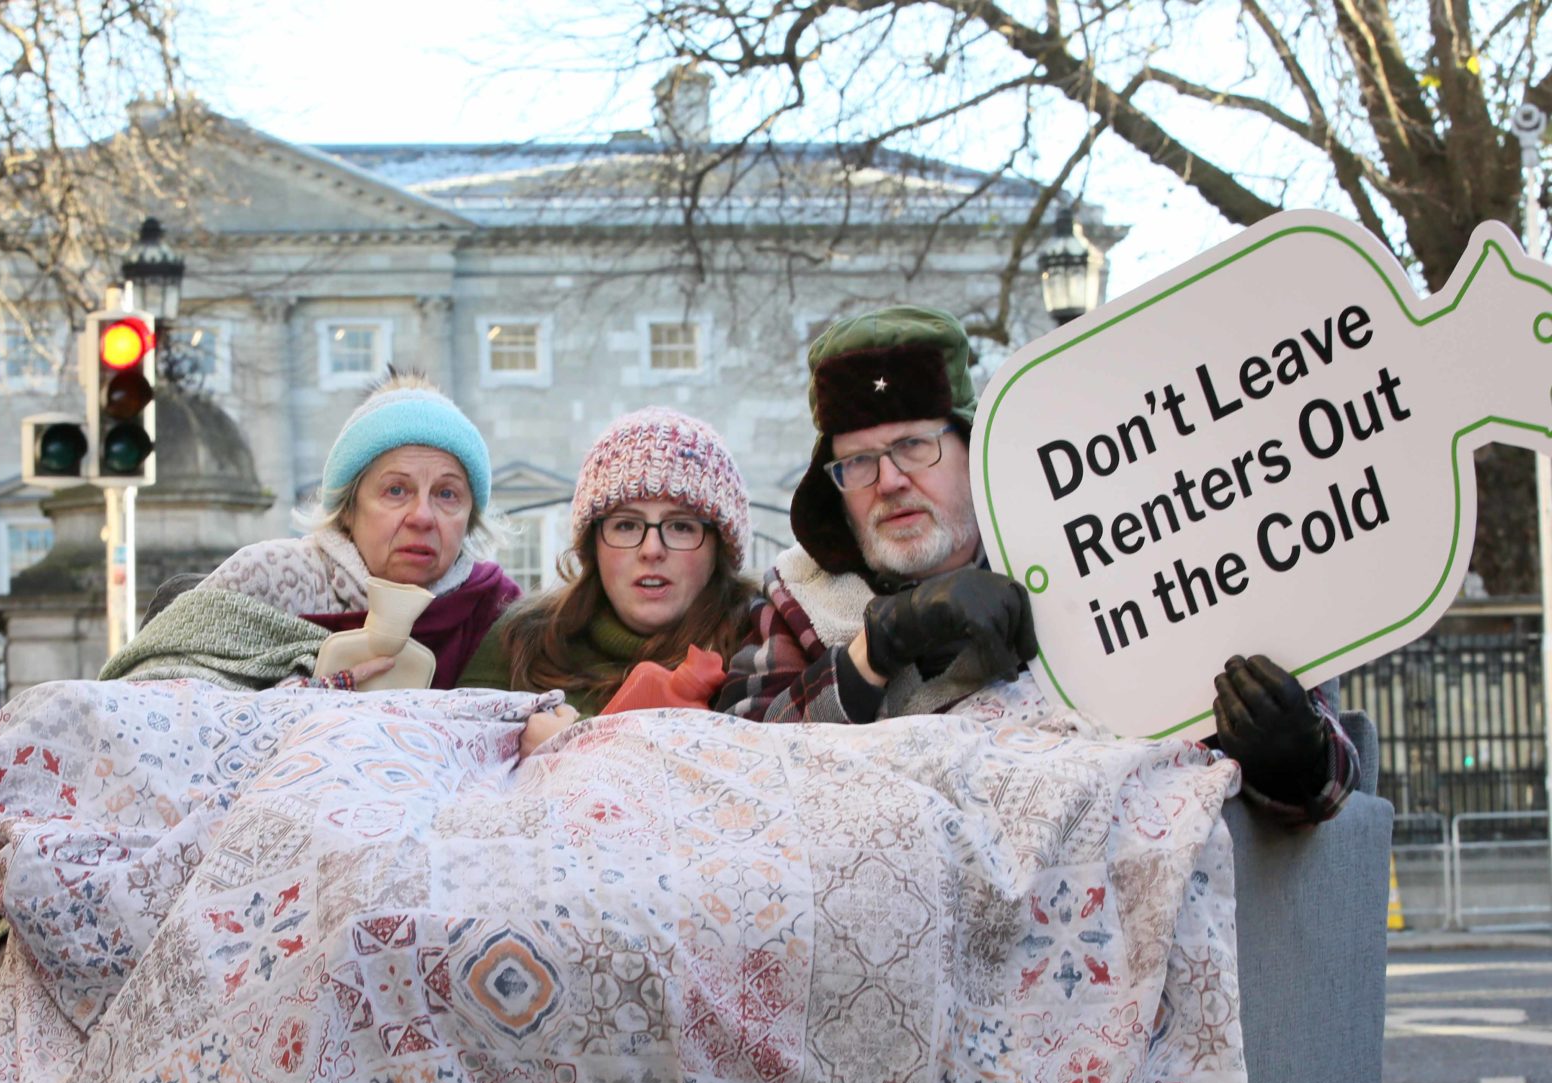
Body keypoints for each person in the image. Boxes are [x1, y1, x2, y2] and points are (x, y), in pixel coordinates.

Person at [719, 305, 1357, 823]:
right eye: (857, 462)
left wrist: (1292, 755)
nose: (888, 481)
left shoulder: (1108, 557)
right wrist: (877, 648)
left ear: (973, 450)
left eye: (914, 445)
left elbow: (1321, 787)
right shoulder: (800, 596)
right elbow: (737, 770)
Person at [193, 369, 520, 688]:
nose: (422, 516)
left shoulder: (503, 613)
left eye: (447, 494)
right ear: (348, 508)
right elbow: (166, 698)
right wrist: (301, 702)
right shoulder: (264, 577)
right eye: (396, 490)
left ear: (469, 518)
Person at [458, 408, 756, 753]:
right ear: (593, 544)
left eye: (681, 526)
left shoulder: (762, 647)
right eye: (627, 525)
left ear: (719, 548)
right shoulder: (522, 641)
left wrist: (578, 743)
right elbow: (458, 770)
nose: (651, 549)